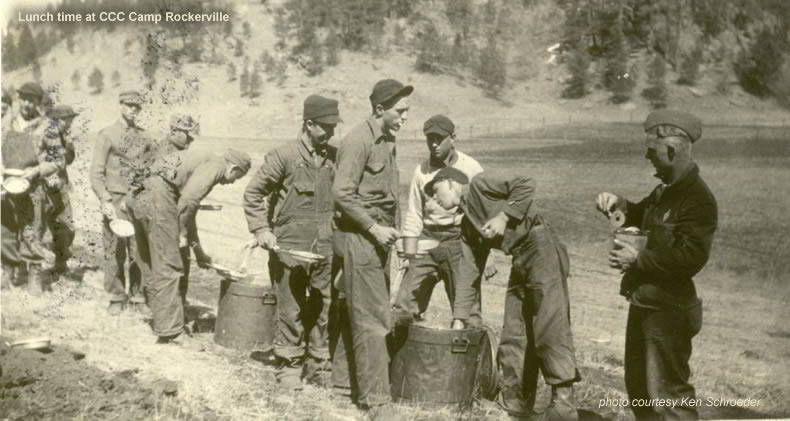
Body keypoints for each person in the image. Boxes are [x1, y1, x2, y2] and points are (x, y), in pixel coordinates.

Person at [428, 167, 579, 421]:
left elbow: (526, 182)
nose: (434, 201)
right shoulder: (468, 226)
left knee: (549, 326)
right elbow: (468, 274)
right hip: (519, 258)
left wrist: (504, 217)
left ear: (451, 183)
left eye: (435, 192)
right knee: (514, 331)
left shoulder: (479, 183)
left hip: (541, 245)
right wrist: (459, 318)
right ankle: (516, 405)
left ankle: (563, 405)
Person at [595, 110, 717, 420]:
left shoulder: (697, 199)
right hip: (646, 304)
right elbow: (641, 215)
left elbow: (691, 258)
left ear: (672, 151)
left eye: (652, 150)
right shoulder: (664, 192)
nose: (647, 157)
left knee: (669, 399)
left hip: (669, 313)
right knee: (640, 392)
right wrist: (618, 205)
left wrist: (638, 258)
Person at [243, 94, 341, 389]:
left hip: (325, 241)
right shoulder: (283, 156)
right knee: (291, 306)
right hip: (288, 244)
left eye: (334, 126)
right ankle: (289, 364)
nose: (331, 132)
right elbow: (253, 193)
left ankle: (318, 362)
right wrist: (261, 229)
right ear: (308, 124)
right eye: (325, 127)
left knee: (324, 304)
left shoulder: (334, 158)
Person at [331, 79, 412, 410]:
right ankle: (377, 402)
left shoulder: (388, 141)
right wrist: (374, 228)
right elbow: (342, 192)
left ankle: (340, 387)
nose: (405, 117)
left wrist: (399, 238)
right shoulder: (358, 140)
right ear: (380, 109)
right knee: (373, 318)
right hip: (360, 238)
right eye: (400, 111)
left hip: (378, 239)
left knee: (356, 311)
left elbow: (391, 196)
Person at [127, 148, 251, 345]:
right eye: (237, 177)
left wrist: (198, 250)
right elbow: (188, 201)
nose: (232, 182)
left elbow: (187, 209)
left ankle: (156, 314)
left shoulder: (201, 160)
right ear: (234, 167)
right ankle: (171, 332)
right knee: (169, 265)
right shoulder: (217, 165)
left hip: (138, 194)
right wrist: (181, 234)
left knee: (150, 260)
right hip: (158, 196)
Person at [393, 114, 484, 328]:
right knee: (403, 305)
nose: (433, 144)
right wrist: (409, 252)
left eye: (439, 139)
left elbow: (483, 212)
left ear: (452, 138)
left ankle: (471, 358)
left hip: (459, 240)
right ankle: (407, 356)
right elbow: (414, 214)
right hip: (428, 240)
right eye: (430, 139)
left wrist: (485, 256)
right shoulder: (421, 171)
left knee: (467, 312)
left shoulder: (471, 168)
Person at [90, 90, 157, 314]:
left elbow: (152, 170)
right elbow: (96, 172)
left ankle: (138, 297)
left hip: (138, 199)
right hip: (115, 199)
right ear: (120, 105)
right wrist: (105, 199)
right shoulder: (107, 134)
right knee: (114, 249)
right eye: (129, 105)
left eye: (137, 107)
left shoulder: (146, 137)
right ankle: (116, 297)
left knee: (139, 250)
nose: (133, 110)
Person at [40, 105, 79, 277]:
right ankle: (27, 268)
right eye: (68, 119)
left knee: (65, 225)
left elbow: (68, 161)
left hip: (60, 185)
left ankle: (60, 264)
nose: (71, 122)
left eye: (71, 119)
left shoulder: (64, 134)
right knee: (38, 226)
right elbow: (39, 158)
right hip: (44, 186)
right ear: (58, 120)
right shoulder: (48, 133)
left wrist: (70, 145)